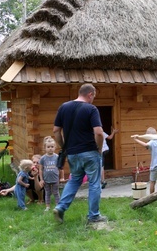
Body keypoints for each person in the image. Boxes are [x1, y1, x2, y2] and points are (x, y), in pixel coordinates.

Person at [52, 83, 105, 224]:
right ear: (90, 94)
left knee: (74, 179)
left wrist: (64, 147)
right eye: (94, 96)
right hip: (89, 152)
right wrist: (99, 149)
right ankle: (94, 216)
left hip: (72, 153)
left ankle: (60, 207)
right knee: (94, 183)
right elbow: (99, 133)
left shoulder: (64, 107)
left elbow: (56, 131)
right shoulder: (91, 109)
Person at [39, 136, 60, 212]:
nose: (50, 148)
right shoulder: (43, 158)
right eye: (48, 147)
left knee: (56, 192)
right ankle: (47, 206)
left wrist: (61, 177)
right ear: (45, 148)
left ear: (55, 147)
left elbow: (61, 168)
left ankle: (58, 206)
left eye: (52, 146)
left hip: (55, 179)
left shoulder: (57, 157)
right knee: (47, 193)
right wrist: (41, 179)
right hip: (46, 179)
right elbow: (40, 169)